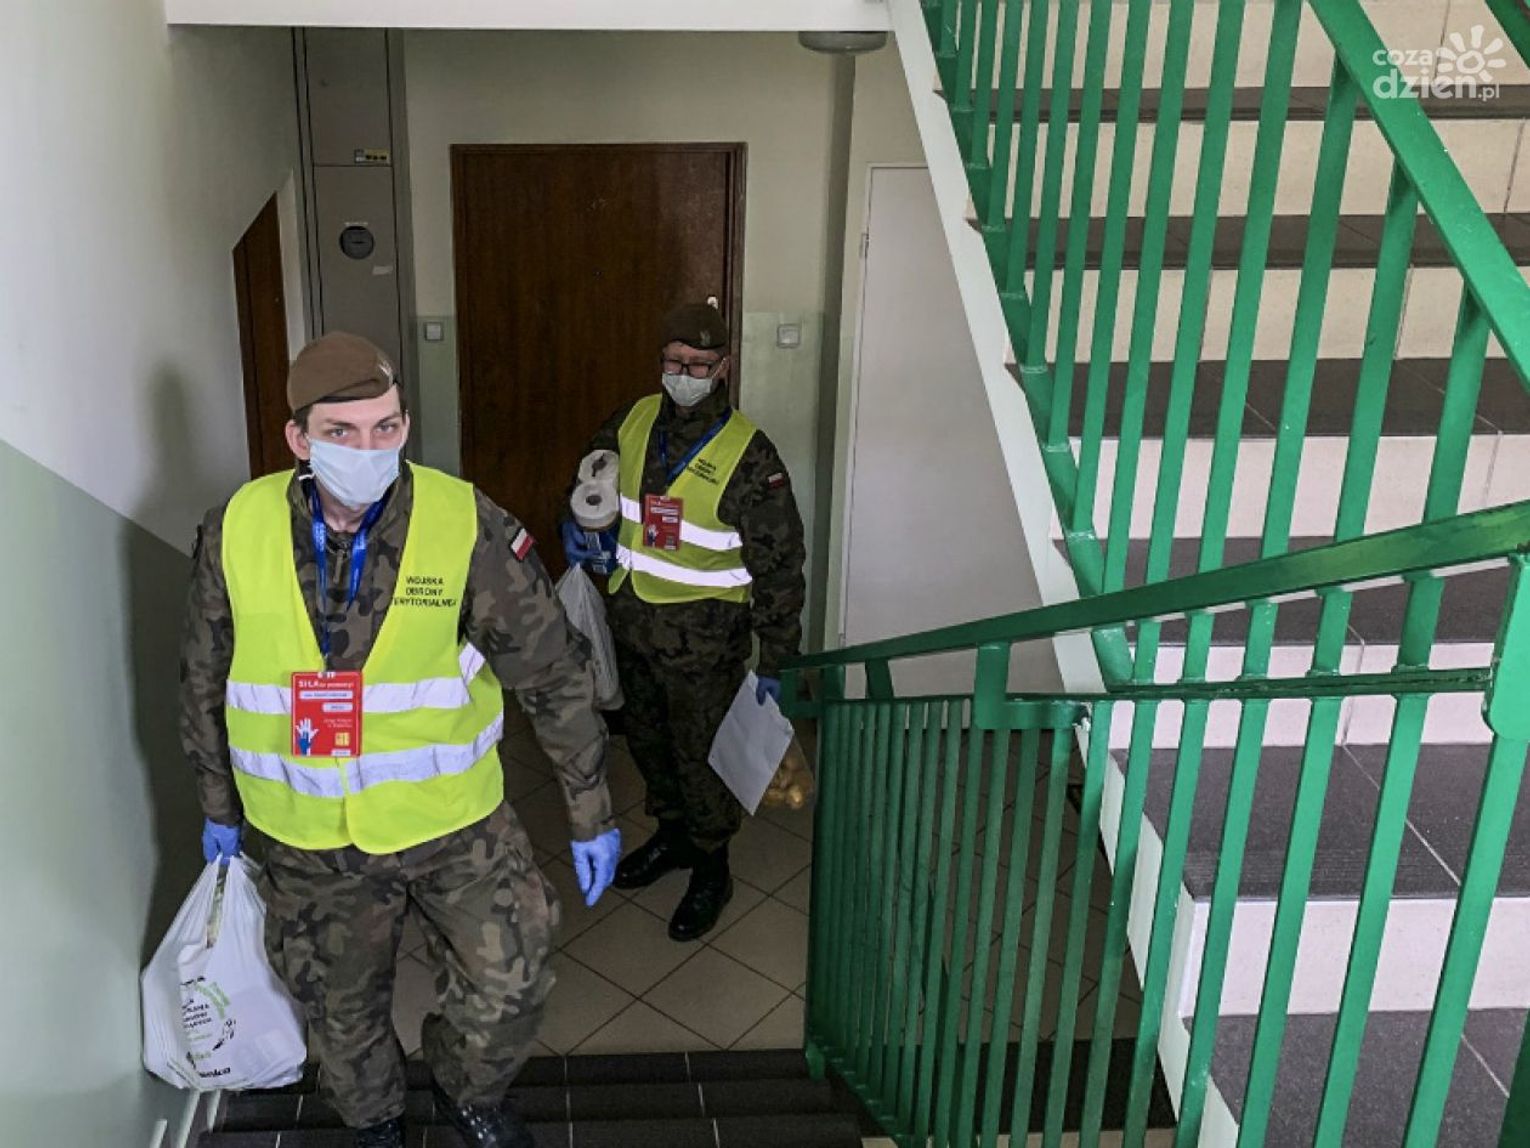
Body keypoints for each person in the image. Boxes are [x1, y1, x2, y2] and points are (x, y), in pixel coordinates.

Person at [181, 332, 622, 1148]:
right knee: (340, 1015)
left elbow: (553, 672)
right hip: (309, 838)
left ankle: (466, 1090)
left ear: (406, 425)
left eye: (385, 428)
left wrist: (590, 809)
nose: (368, 450)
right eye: (341, 433)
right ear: (299, 438)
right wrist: (218, 805)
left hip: (455, 823)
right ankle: (377, 1124)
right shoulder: (235, 530)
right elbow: (205, 679)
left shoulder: (464, 523)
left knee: (511, 984)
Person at [561, 303, 806, 942]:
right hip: (633, 627)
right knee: (648, 745)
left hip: (705, 648)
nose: (685, 374)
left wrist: (778, 659)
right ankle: (672, 838)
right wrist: (576, 522)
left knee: (701, 762)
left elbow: (781, 567)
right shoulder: (632, 419)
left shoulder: (750, 455)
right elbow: (589, 480)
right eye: (675, 361)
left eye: (699, 364)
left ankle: (711, 869)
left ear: (723, 366)